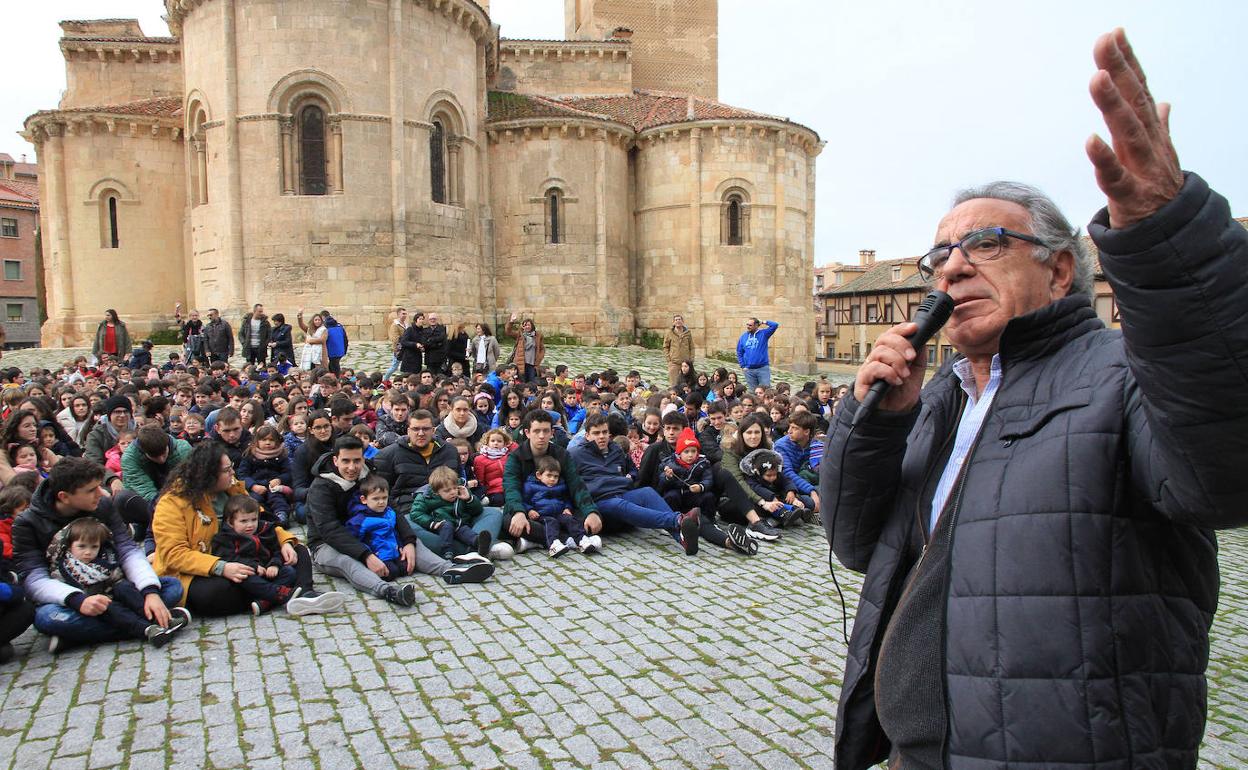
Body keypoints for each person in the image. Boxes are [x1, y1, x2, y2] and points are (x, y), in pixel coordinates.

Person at [821, 30, 1248, 770]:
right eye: (939, 256)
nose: (951, 268)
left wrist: (1172, 243)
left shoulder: (1120, 379)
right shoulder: (940, 398)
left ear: (1058, 273)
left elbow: (1224, 473)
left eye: (985, 243)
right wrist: (874, 423)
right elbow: (857, 545)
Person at [13, 458, 184, 652]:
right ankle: (151, 623)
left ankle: (77, 637)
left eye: (99, 487)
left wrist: (150, 592)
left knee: (173, 588)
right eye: (91, 490)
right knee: (48, 618)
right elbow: (34, 579)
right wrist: (78, 600)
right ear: (64, 496)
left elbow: (128, 550)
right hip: (71, 598)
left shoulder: (103, 504)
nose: (101, 493)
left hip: (116, 588)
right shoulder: (27, 523)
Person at [306, 436, 492, 605]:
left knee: (413, 541)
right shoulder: (321, 487)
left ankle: (450, 570)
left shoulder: (368, 474)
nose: (352, 467)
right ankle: (389, 592)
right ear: (335, 460)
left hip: (374, 533)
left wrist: (408, 541)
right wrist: (366, 555)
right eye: (346, 461)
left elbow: (391, 508)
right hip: (327, 544)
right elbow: (329, 530)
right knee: (347, 560)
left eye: (357, 460)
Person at [565, 412, 702, 556]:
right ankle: (678, 519)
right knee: (617, 504)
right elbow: (571, 485)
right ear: (587, 435)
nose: (601, 436)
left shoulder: (616, 449)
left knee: (647, 492)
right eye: (596, 433)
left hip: (622, 493)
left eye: (604, 432)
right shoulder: (575, 454)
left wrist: (631, 476)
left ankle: (682, 539)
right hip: (599, 501)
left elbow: (632, 470)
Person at [44, 517, 190, 647]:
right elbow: (62, 590)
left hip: (119, 597)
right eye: (81, 547)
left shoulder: (106, 560)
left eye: (93, 547)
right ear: (70, 546)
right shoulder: (64, 568)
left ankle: (156, 618)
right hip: (93, 606)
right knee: (53, 617)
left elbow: (117, 578)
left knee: (170, 586)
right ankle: (149, 627)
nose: (88, 552)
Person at [210, 495, 298, 615]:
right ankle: (279, 594)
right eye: (244, 521)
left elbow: (276, 550)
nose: (250, 525)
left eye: (253, 520)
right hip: (247, 574)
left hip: (266, 571)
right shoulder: (224, 538)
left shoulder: (265, 530)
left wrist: (274, 565)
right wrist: (254, 566)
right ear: (230, 522)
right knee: (245, 577)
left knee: (289, 571)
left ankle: (265, 602)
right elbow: (228, 558)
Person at [408, 466, 491, 560]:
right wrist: (431, 523)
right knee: (447, 526)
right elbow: (416, 513)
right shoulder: (425, 496)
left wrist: (469, 499)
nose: (453, 492)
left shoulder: (461, 490)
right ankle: (447, 552)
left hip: (459, 524)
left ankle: (479, 543)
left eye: (454, 488)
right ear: (436, 492)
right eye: (447, 490)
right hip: (440, 524)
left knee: (464, 530)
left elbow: (478, 510)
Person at [522, 454, 593, 557]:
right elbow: (524, 500)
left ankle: (581, 539)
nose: (552, 479)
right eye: (549, 475)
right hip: (542, 514)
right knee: (551, 523)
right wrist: (530, 510)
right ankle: (553, 544)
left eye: (556, 476)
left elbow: (566, 498)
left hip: (559, 512)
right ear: (539, 475)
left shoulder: (560, 486)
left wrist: (567, 508)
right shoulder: (531, 486)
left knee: (570, 520)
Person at [344, 475, 411, 582]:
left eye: (384, 498)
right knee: (391, 573)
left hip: (393, 551)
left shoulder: (389, 512)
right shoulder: (361, 520)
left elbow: (394, 532)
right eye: (376, 499)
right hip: (378, 555)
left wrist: (400, 545)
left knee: (405, 569)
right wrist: (369, 554)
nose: (381, 502)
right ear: (364, 500)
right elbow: (354, 539)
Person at [236, 425, 294, 525]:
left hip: (274, 487)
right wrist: (252, 486)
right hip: (257, 487)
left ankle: (281, 515)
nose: (267, 443)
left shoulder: (281, 455)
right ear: (257, 441)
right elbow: (242, 474)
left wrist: (279, 479)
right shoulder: (250, 455)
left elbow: (289, 472)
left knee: (277, 499)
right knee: (255, 501)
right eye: (264, 440)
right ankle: (264, 518)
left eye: (271, 440)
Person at [772, 411, 820, 518]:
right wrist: (811, 490)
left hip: (806, 481)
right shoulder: (781, 446)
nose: (789, 431)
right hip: (786, 485)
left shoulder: (814, 445)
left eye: (795, 428)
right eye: (790, 427)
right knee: (809, 501)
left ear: (806, 431)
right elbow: (788, 473)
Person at [735, 317, 778, 390]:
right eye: (747, 325)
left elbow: (775, 325)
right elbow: (739, 352)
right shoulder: (743, 337)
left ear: (756, 326)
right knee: (753, 392)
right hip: (749, 370)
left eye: (750, 325)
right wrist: (743, 366)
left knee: (766, 390)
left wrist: (763, 321)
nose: (748, 327)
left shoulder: (764, 334)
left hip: (762, 368)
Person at [507, 313, 545, 383]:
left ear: (532, 326)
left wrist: (539, 359)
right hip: (521, 363)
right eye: (524, 325)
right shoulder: (520, 335)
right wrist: (511, 321)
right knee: (522, 381)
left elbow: (542, 349)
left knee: (532, 381)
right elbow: (508, 332)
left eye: (528, 325)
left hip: (532, 364)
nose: (526, 327)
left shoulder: (538, 336)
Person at [662, 314, 694, 388]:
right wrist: (669, 359)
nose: (678, 321)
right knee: (674, 384)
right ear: (673, 322)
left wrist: (691, 359)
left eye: (679, 319)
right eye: (676, 320)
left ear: (682, 321)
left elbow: (691, 347)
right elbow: (665, 347)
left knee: (686, 383)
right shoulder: (669, 333)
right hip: (674, 362)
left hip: (685, 363)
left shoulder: (688, 333)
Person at [383, 307, 408, 382]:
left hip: (406, 348)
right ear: (398, 314)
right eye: (403, 314)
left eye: (405, 314)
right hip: (399, 349)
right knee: (394, 366)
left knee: (405, 365)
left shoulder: (405, 324)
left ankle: (405, 380)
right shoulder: (395, 325)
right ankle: (385, 380)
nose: (404, 315)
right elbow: (395, 338)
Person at [321, 311, 349, 375]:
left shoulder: (324, 327)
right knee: (335, 365)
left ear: (323, 317)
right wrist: (344, 350)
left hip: (331, 350)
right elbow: (345, 339)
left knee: (334, 367)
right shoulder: (339, 326)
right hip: (340, 350)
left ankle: (336, 379)